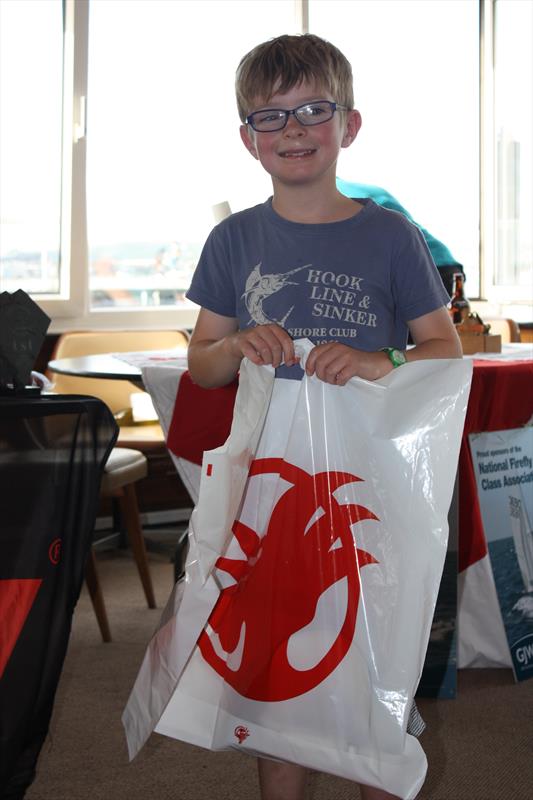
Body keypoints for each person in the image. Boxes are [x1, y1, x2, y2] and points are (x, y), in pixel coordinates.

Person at [186, 33, 462, 800]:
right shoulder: (233, 239)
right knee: (279, 680)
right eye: (269, 117)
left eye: (313, 109)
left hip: (366, 487)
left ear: (349, 124)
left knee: (375, 673)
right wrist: (238, 341)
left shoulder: (389, 235)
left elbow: (443, 346)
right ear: (247, 139)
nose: (293, 129)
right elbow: (203, 362)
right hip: (269, 495)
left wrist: (385, 361)